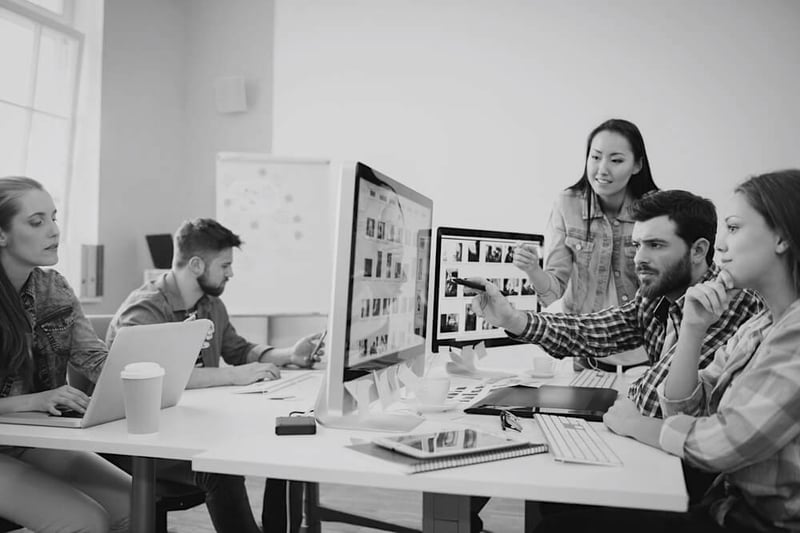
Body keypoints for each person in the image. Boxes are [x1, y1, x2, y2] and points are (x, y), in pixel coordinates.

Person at [469, 190, 763, 520]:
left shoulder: (728, 302)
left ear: (698, 250)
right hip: (662, 454)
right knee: (555, 491)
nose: (639, 258)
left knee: (564, 498)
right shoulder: (656, 295)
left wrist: (632, 404)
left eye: (656, 245)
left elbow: (656, 403)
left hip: (693, 480)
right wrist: (513, 319)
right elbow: (592, 330)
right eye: (637, 245)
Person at [538, 169, 800, 532]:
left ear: (782, 238)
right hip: (724, 506)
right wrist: (693, 329)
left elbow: (721, 443)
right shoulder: (762, 326)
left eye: (735, 228)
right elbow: (686, 407)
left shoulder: (793, 332)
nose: (722, 244)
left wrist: (636, 423)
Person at [106, 218, 324, 533]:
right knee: (219, 468)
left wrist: (290, 354)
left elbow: (239, 350)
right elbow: (159, 381)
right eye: (225, 265)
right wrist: (234, 376)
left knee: (284, 437)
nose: (231, 273)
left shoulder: (211, 304)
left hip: (189, 425)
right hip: (141, 442)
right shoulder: (144, 312)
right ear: (196, 265)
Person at [0, 176, 130, 532]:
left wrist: (153, 371)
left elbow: (95, 361)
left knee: (135, 505)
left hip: (28, 441)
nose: (54, 230)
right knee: (86, 522)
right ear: (1, 235)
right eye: (36, 222)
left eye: (54, 217)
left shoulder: (53, 287)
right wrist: (34, 401)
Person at [513, 118, 657, 371]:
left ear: (637, 165)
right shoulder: (567, 204)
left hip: (643, 360)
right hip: (587, 359)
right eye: (595, 157)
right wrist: (533, 270)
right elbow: (554, 291)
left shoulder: (655, 211)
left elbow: (668, 290)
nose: (602, 169)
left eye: (616, 160)